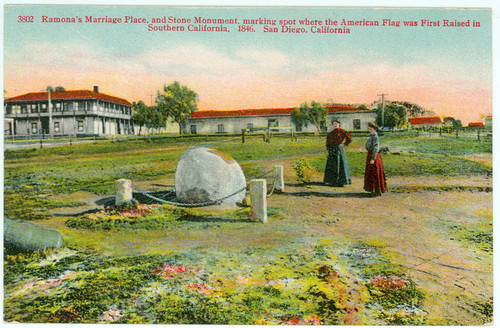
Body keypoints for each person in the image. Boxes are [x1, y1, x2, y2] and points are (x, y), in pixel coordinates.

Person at [323, 119, 352, 187]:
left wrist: (344, 144)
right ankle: (332, 181)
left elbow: (349, 138)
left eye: (336, 123)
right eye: (334, 124)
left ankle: (341, 181)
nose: (335, 125)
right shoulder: (330, 133)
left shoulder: (342, 131)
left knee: (340, 164)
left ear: (339, 124)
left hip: (339, 149)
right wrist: (328, 150)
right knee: (333, 164)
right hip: (332, 150)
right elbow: (328, 142)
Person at [364, 122, 387, 196]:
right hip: (370, 154)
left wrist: (373, 158)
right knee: (371, 173)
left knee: (375, 173)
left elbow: (376, 148)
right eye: (368, 127)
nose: (369, 128)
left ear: (374, 128)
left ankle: (377, 190)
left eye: (370, 127)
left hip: (374, 156)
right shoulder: (371, 135)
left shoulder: (375, 136)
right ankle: (372, 189)